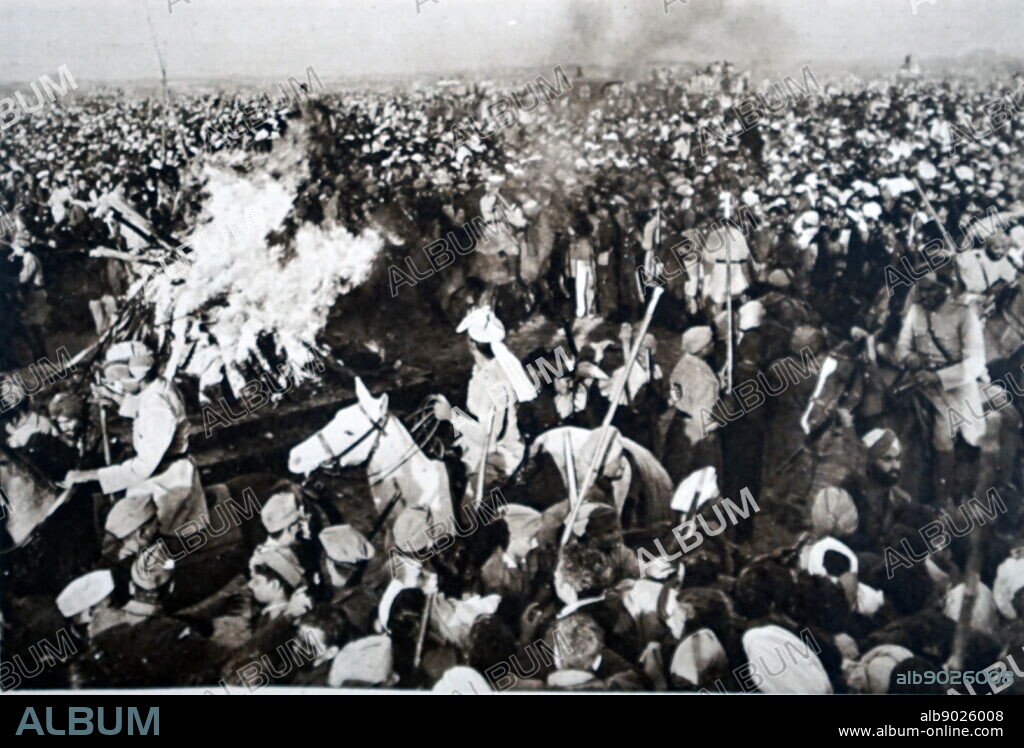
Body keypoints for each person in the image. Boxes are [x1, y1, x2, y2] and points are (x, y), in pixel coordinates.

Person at [63, 341, 208, 545]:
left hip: (168, 481)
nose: (119, 385)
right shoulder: (159, 386)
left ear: (137, 373)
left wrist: (91, 475)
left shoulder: (158, 405)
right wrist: (114, 398)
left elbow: (141, 468)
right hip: (161, 471)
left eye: (120, 379)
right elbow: (142, 405)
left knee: (138, 533)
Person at [895, 271, 987, 504]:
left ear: (946, 288)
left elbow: (975, 363)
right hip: (917, 381)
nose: (923, 295)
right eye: (921, 290)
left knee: (943, 435)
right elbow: (901, 347)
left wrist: (938, 377)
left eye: (930, 290)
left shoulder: (964, 316)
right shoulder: (916, 311)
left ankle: (943, 501)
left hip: (955, 388)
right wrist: (910, 358)